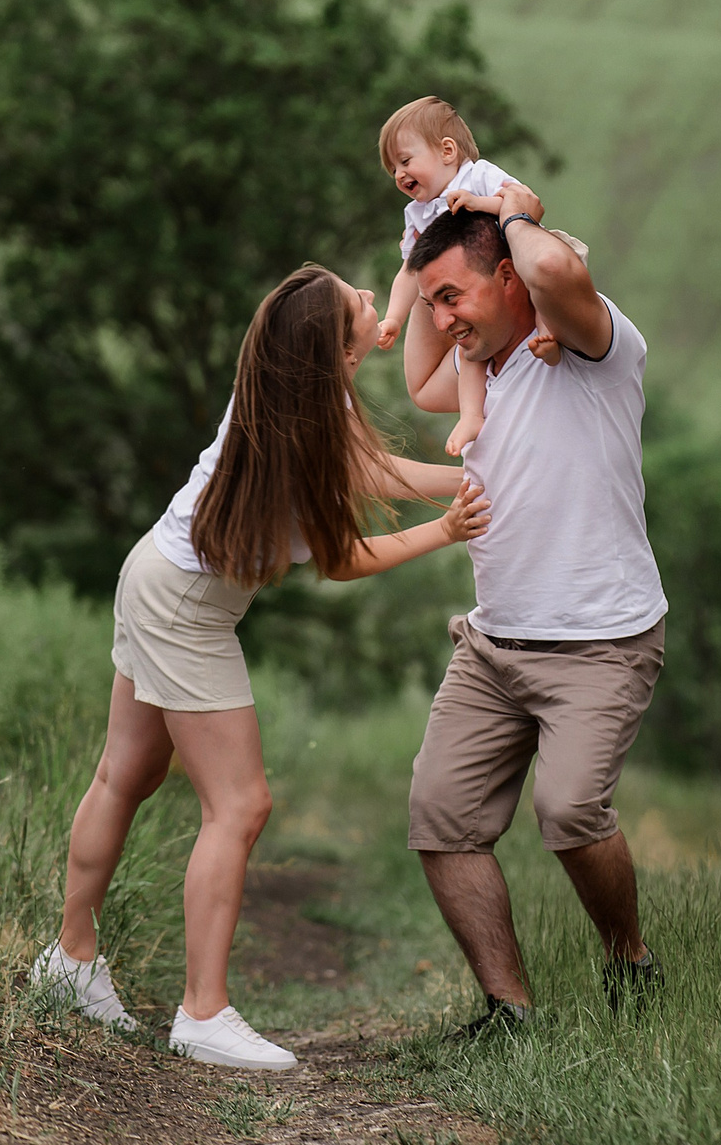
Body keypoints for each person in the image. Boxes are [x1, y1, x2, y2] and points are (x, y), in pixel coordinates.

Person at [32, 264, 488, 1070]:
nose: (373, 298)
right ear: (337, 350)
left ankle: (69, 962)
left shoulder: (298, 392)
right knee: (240, 804)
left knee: (125, 773)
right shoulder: (308, 430)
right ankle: (203, 1012)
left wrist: (487, 480)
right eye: (357, 302)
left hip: (155, 572)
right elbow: (342, 560)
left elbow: (383, 472)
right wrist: (446, 530)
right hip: (186, 607)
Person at [401, 196, 668, 1034]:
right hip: (492, 645)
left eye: (454, 296)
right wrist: (416, 253)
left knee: (569, 810)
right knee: (441, 816)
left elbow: (555, 268)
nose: (443, 320)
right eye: (433, 302)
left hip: (600, 642)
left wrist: (510, 210)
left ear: (511, 277)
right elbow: (418, 386)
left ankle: (630, 961)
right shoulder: (480, 374)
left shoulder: (590, 347)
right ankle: (509, 1011)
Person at [373, 96, 563, 457]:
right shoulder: (417, 214)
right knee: (471, 348)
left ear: (447, 151)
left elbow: (524, 205)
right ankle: (472, 415)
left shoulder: (479, 176)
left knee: (542, 286)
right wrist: (394, 318)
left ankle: (549, 335)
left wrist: (480, 204)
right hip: (483, 302)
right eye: (393, 168)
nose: (399, 174)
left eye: (405, 161)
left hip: (516, 267)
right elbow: (409, 270)